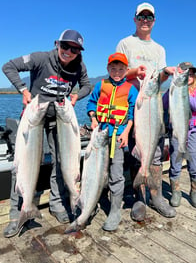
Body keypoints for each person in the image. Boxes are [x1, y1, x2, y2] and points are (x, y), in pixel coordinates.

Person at [2, 29, 91, 238]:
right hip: (33, 120)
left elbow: (87, 85)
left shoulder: (79, 66)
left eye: (75, 49)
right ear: (57, 44)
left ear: (79, 52)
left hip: (58, 119)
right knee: (20, 166)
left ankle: (57, 205)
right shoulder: (41, 58)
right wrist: (23, 90)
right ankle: (17, 214)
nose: (69, 51)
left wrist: (77, 95)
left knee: (61, 162)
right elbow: (9, 66)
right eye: (66, 46)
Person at [116, 2, 176, 221]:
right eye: (141, 17)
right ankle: (140, 199)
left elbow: (158, 78)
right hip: (131, 104)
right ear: (135, 19)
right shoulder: (125, 43)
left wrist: (166, 73)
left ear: (154, 21)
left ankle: (157, 196)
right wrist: (134, 71)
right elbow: (118, 72)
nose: (145, 20)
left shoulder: (159, 49)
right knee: (135, 152)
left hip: (153, 105)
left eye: (149, 17)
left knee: (156, 153)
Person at [86, 52, 138, 231]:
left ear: (126, 70)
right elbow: (91, 104)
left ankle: (115, 210)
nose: (117, 72)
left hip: (118, 136)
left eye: (121, 69)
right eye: (113, 68)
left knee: (116, 173)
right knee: (96, 172)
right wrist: (93, 118)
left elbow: (132, 114)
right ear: (108, 68)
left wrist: (127, 133)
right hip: (100, 135)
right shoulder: (101, 85)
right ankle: (91, 203)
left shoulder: (131, 89)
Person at [163, 62, 196, 208]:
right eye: (186, 74)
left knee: (193, 160)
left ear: (194, 77)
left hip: (192, 133)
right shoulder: (173, 89)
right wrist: (173, 90)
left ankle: (195, 192)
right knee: (175, 161)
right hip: (175, 132)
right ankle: (176, 191)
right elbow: (164, 103)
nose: (188, 77)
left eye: (191, 74)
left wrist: (184, 92)